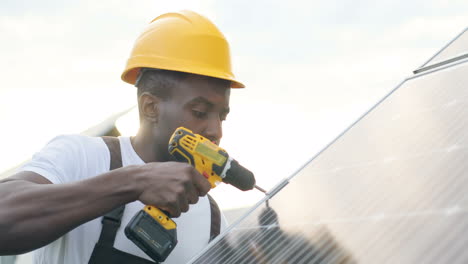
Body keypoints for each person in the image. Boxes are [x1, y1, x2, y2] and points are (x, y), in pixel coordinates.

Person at [0, 10, 245, 264]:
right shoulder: (83, 157)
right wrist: (134, 181)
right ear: (150, 107)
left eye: (222, 116)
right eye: (200, 112)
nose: (216, 131)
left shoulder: (212, 221)